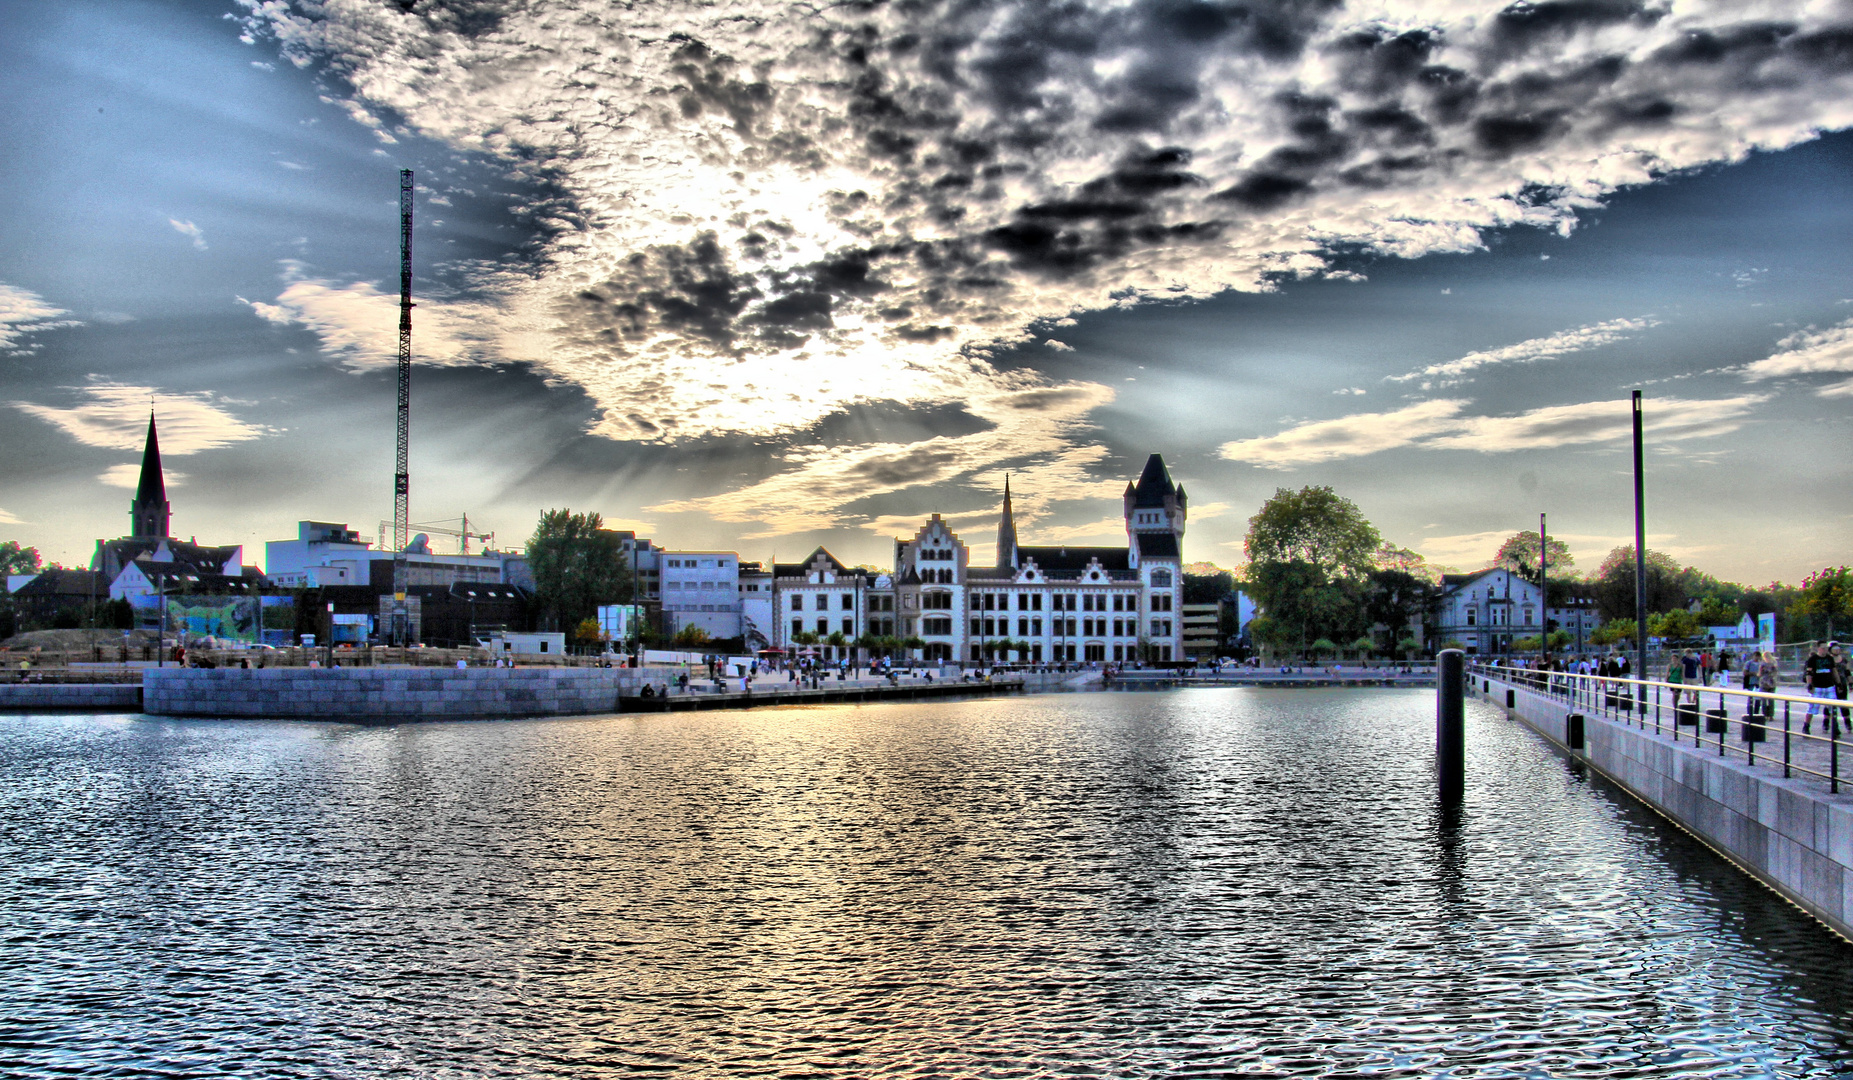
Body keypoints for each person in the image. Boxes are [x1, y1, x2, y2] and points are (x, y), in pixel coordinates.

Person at [1803, 642, 1837, 735]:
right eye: (1823, 648)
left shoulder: (1830, 658)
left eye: (1826, 648)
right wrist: (1809, 684)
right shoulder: (1813, 659)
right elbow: (1808, 672)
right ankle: (1806, 726)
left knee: (1833, 707)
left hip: (1829, 685)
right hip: (1817, 686)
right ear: (1818, 648)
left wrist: (1838, 683)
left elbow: (1834, 671)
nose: (1825, 650)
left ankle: (1834, 726)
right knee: (1812, 708)